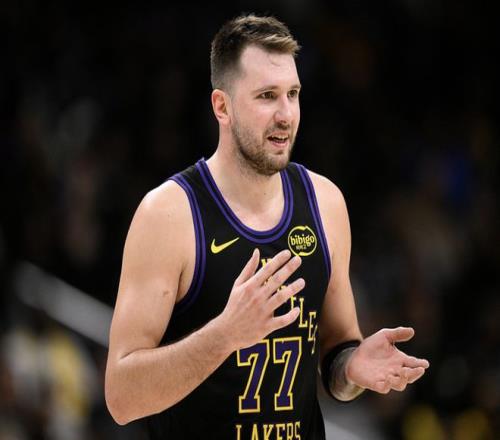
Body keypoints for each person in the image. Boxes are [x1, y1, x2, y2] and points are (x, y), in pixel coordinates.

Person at [104, 13, 430, 439]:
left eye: (292, 94)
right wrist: (225, 335)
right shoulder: (168, 215)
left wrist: (352, 367)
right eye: (266, 96)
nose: (286, 114)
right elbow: (121, 398)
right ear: (222, 106)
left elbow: (336, 358)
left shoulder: (325, 203)